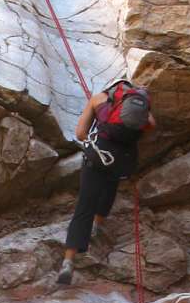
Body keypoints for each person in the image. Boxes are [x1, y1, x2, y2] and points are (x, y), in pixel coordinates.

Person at [57, 80, 153, 288]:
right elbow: (150, 124)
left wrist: (100, 129)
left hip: (99, 153)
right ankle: (97, 227)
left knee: (84, 205)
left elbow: (80, 133)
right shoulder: (138, 103)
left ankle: (68, 261)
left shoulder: (97, 99)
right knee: (110, 187)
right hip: (123, 158)